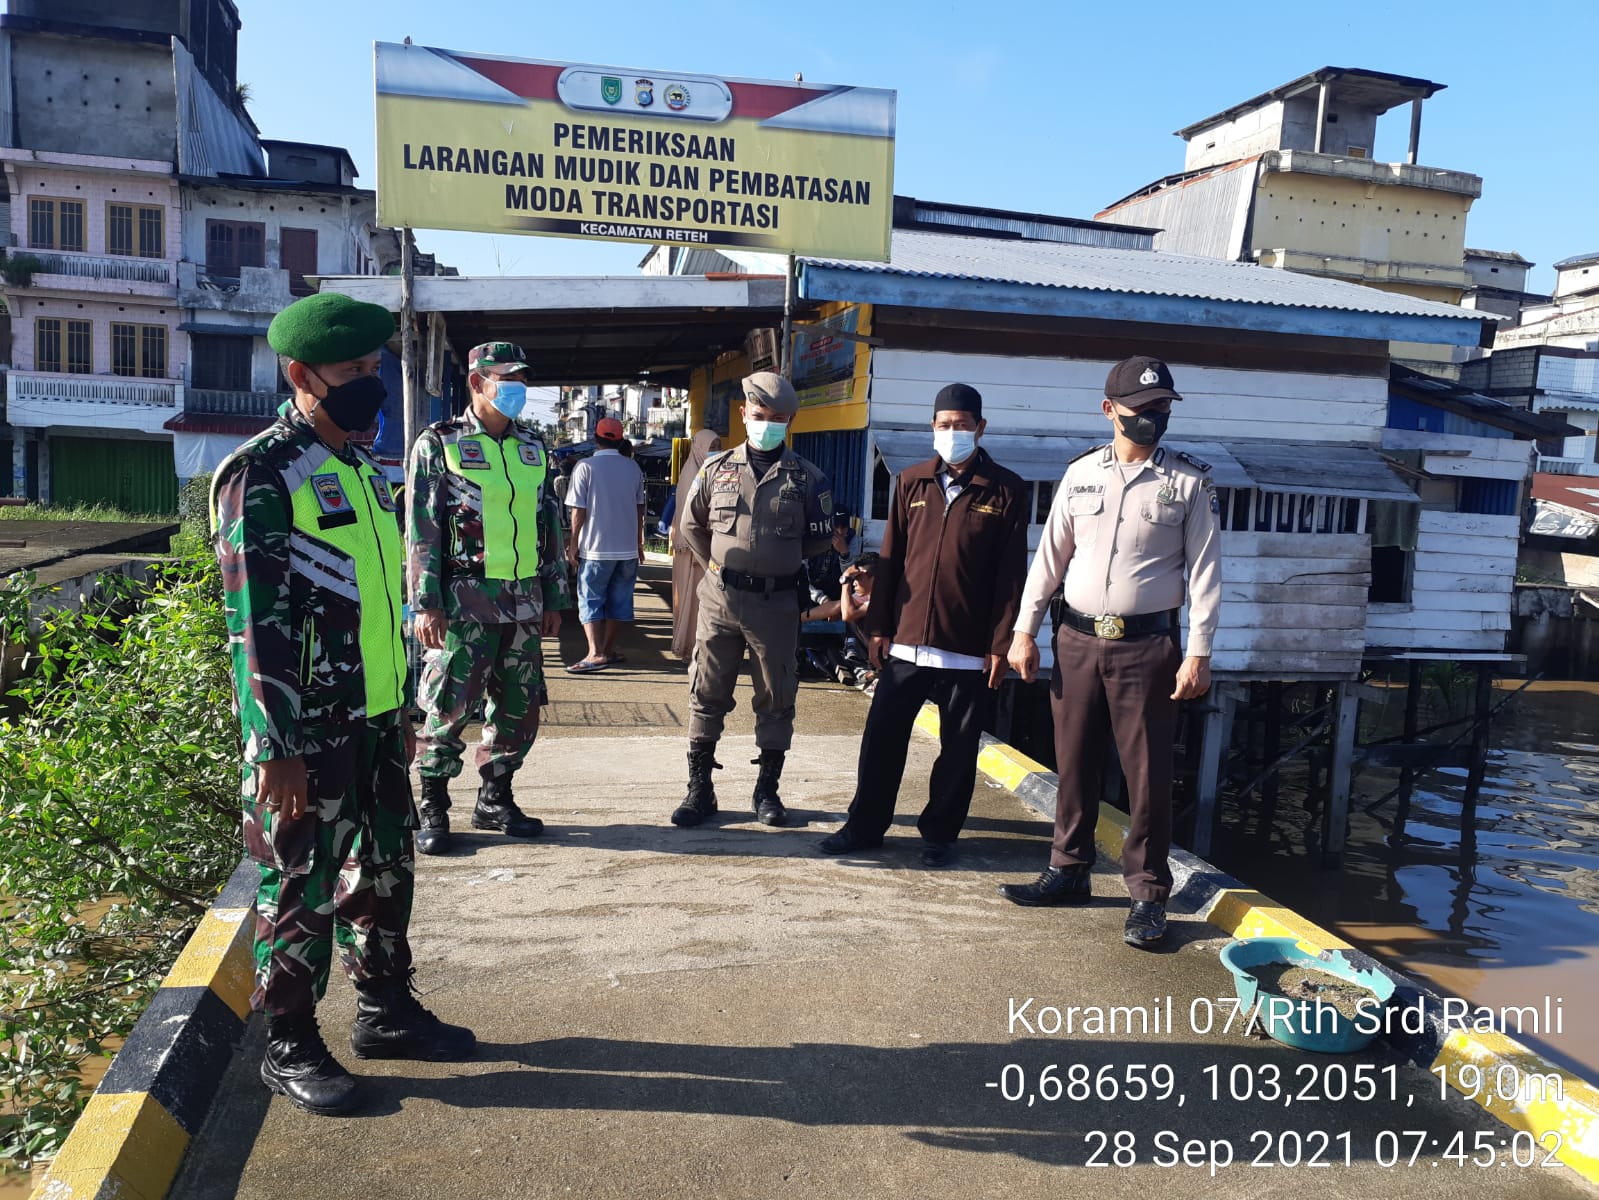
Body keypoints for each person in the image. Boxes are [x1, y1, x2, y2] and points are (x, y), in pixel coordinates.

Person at [210, 292, 474, 1117]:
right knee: (299, 880)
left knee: (385, 868)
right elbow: (253, 623)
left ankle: (384, 1009)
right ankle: (288, 1043)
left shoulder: (359, 466)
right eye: (353, 369)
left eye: (373, 366)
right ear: (302, 375)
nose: (371, 382)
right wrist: (275, 745)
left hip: (375, 716)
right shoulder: (262, 472)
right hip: (305, 730)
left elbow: (376, 599)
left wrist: (401, 709)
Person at [999, 356, 1221, 948]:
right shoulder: (1079, 475)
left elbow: (1205, 575)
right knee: (1072, 761)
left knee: (1147, 773)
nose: (1154, 417)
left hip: (1147, 647)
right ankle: (1068, 868)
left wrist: (1198, 652)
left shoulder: (1190, 483)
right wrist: (1024, 630)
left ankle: (1147, 894)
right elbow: (1049, 559)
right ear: (1110, 410)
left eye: (1162, 407)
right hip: (1074, 640)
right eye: (1142, 408)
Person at [818, 384, 1030, 867]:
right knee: (882, 739)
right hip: (907, 641)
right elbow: (891, 560)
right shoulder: (911, 482)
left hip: (968, 646)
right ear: (933, 427)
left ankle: (939, 836)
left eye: (962, 425)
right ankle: (864, 825)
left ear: (980, 427)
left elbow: (1010, 575)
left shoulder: (1006, 490)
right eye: (944, 425)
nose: (952, 433)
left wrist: (1000, 644)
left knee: (958, 748)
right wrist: (879, 628)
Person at [405, 341, 572, 855]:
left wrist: (555, 597)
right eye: (508, 379)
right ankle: (433, 804)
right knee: (449, 706)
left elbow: (549, 525)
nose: (518, 388)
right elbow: (422, 528)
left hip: (523, 601)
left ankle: (495, 798)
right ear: (478, 383)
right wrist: (426, 603)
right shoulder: (440, 443)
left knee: (519, 706)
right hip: (463, 601)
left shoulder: (534, 446)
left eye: (523, 379)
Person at [672, 372, 833, 828]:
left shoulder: (809, 479)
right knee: (706, 691)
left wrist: (773, 564)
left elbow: (818, 540)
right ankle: (699, 789)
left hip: (776, 605)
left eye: (778, 418)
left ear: (790, 421)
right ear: (744, 414)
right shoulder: (716, 469)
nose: (768, 425)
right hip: (720, 599)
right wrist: (722, 568)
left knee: (777, 695)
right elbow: (691, 527)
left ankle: (767, 791)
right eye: (760, 416)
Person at [564, 417, 646, 673]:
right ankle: (608, 650)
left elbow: (579, 510)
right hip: (627, 550)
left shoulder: (585, 467)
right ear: (620, 440)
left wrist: (573, 543)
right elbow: (639, 508)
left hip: (595, 549)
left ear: (595, 438)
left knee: (590, 599)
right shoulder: (633, 468)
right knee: (620, 601)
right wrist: (638, 542)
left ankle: (595, 652)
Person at [670, 429, 722, 660]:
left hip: (702, 548)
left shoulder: (708, 472)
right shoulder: (694, 476)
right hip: (693, 550)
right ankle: (690, 645)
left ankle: (699, 646)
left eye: (718, 447)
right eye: (711, 448)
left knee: (702, 601)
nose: (715, 452)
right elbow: (690, 517)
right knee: (692, 599)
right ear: (699, 448)